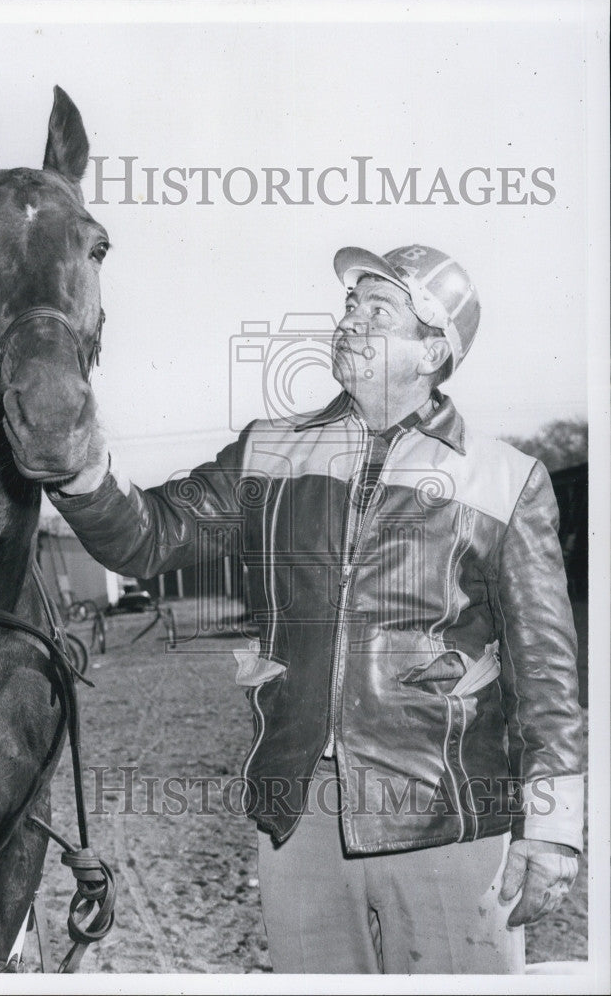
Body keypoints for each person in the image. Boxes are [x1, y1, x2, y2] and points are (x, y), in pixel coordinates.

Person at [46, 244, 584, 974]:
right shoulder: (269, 452)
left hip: (448, 819)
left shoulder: (504, 479)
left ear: (432, 350)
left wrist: (550, 825)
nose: (348, 323)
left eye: (376, 311)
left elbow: (544, 673)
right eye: (348, 308)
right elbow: (150, 537)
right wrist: (79, 471)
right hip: (298, 818)